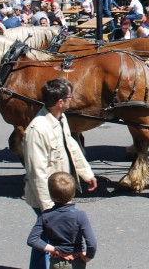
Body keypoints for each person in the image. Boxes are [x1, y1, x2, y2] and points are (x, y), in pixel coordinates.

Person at [24, 79, 97, 269]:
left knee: (46, 239)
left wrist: (86, 173)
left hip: (59, 195)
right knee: (45, 240)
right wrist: (48, 209)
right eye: (70, 97)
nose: (72, 100)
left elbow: (71, 146)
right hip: (48, 198)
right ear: (60, 102)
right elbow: (36, 173)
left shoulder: (60, 118)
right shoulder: (37, 129)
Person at [27, 172, 97, 269]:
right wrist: (87, 257)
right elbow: (92, 244)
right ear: (74, 193)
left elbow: (32, 240)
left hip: (56, 261)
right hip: (76, 261)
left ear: (51, 196)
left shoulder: (46, 216)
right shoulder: (80, 216)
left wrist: (56, 250)